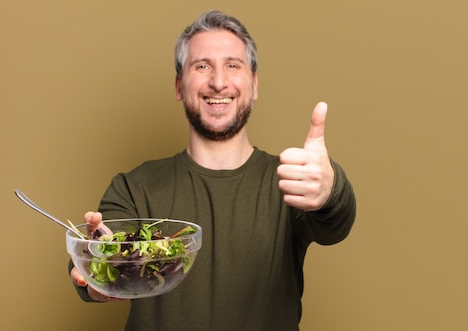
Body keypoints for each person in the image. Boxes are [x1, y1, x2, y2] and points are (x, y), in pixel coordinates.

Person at [68, 9, 356, 331]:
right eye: (202, 66)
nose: (219, 82)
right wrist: (101, 262)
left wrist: (331, 188)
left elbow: (335, 225)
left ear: (254, 84)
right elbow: (99, 245)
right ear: (179, 86)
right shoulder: (134, 187)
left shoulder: (289, 179)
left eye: (232, 65)